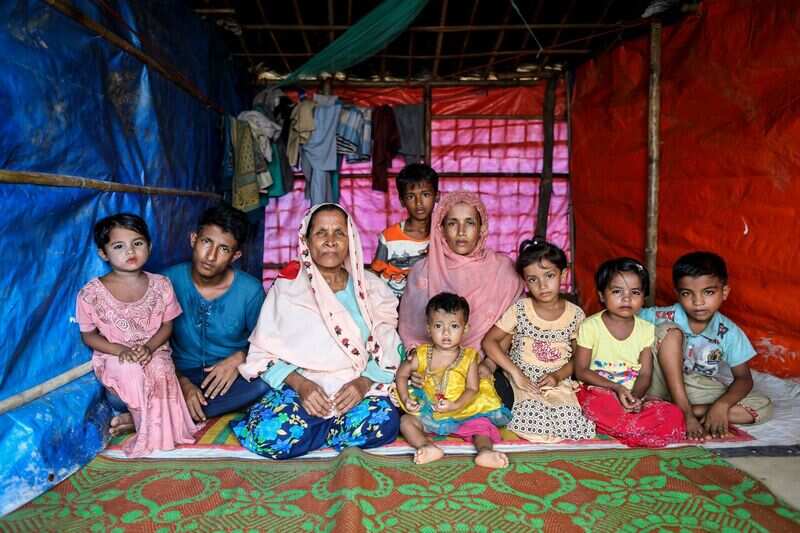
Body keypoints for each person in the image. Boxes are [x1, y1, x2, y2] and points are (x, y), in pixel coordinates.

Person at [232, 204, 403, 459]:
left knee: (384, 420)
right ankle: (331, 432)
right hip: (303, 389)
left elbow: (389, 345)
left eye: (339, 233)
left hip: (355, 387)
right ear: (307, 241)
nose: (331, 241)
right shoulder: (287, 288)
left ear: (351, 240)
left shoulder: (373, 289)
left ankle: (310, 433)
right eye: (321, 233)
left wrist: (363, 382)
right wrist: (302, 385)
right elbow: (263, 352)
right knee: (267, 435)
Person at [76, 213, 197, 457]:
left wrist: (150, 348)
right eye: (118, 246)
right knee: (131, 372)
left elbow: (167, 326)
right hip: (115, 357)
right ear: (103, 253)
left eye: (137, 243)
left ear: (150, 247)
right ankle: (144, 426)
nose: (130, 251)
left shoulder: (161, 285)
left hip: (153, 351)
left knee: (160, 369)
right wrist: (121, 350)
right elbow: (88, 336)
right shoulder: (91, 293)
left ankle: (142, 423)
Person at [398, 191, 525, 403]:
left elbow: (510, 329)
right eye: (452, 223)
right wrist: (418, 366)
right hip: (430, 368)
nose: (461, 232)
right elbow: (412, 329)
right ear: (441, 229)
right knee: (411, 409)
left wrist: (489, 365)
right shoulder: (423, 271)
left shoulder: (503, 271)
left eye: (470, 223)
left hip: (485, 365)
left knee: (501, 402)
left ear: (482, 228)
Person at [641, 251, 772, 440]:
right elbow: (619, 318)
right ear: (677, 294)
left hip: (692, 387)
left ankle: (682, 411)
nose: (698, 302)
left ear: (724, 292)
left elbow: (743, 378)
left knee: (763, 406)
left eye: (708, 292)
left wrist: (721, 406)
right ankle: (684, 412)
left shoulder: (729, 332)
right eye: (687, 293)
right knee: (670, 331)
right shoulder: (661, 315)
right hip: (656, 382)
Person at [162, 204, 268, 425]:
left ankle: (162, 415)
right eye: (206, 242)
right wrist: (182, 382)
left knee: (263, 384)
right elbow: (153, 344)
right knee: (116, 395)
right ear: (193, 239)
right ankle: (181, 411)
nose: (210, 256)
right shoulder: (166, 282)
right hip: (175, 374)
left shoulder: (250, 290)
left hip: (226, 377)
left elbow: (267, 342)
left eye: (224, 249)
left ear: (235, 256)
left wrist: (238, 359)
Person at [483, 239, 595, 442]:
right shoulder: (521, 309)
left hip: (557, 380)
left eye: (549, 276)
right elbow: (489, 342)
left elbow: (579, 359)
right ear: (525, 282)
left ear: (564, 274)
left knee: (568, 417)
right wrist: (515, 373)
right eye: (533, 279)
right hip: (523, 379)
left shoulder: (576, 315)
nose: (543, 285)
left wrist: (558, 376)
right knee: (528, 412)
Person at [574, 258, 685, 447]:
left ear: (643, 297)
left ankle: (626, 428)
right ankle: (634, 430)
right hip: (599, 392)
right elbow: (581, 370)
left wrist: (635, 398)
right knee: (597, 405)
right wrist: (616, 389)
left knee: (673, 414)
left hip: (632, 395)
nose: (627, 298)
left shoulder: (646, 329)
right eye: (617, 291)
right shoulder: (590, 326)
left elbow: (645, 373)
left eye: (635, 292)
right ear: (601, 295)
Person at [395, 293, 511, 468]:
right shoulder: (421, 354)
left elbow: (472, 388)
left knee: (482, 426)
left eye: (454, 326)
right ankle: (426, 447)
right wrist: (405, 398)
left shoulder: (469, 358)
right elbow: (402, 375)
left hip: (464, 409)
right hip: (430, 409)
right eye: (438, 326)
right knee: (406, 422)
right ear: (428, 328)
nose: (446, 333)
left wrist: (455, 406)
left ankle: (485, 451)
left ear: (465, 329)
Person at [371, 163, 439, 298]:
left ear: (437, 196)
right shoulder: (389, 237)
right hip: (391, 305)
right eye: (411, 196)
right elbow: (375, 274)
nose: (419, 202)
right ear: (402, 201)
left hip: (427, 305)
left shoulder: (441, 236)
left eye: (425, 194)